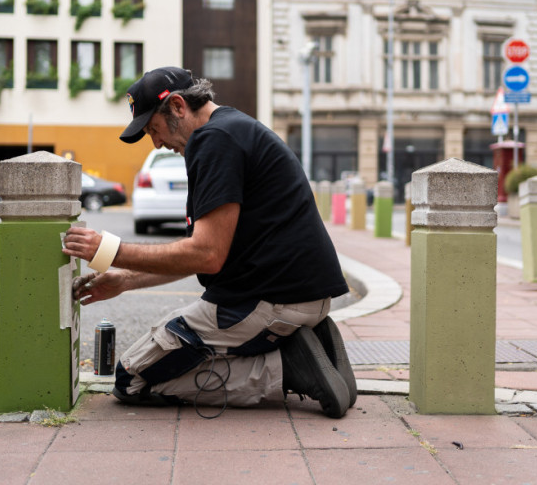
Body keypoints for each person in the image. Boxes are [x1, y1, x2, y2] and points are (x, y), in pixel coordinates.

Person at [62, 67, 355, 418]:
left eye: (153, 129)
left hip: (270, 304)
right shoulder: (233, 127)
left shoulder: (214, 140)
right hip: (301, 299)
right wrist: (126, 279)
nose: (156, 144)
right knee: (178, 354)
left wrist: (107, 250)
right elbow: (200, 252)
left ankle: (288, 367)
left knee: (132, 379)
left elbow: (206, 255)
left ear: (178, 106)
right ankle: (305, 345)